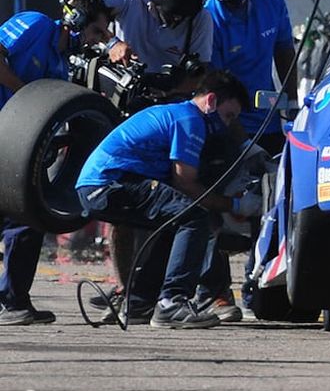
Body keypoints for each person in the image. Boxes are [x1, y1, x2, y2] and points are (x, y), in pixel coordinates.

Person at [76, 71, 250, 329]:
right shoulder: (190, 120)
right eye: (228, 116)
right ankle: (172, 303)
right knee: (194, 217)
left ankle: (139, 303)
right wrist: (235, 205)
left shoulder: (178, 113)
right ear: (211, 101)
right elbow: (185, 183)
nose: (226, 124)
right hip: (110, 184)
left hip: (97, 186)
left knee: (174, 221)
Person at [0, 0, 113, 325]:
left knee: (26, 218)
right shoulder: (35, 24)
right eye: (96, 31)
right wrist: (26, 95)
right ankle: (12, 300)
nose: (97, 40)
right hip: (7, 129)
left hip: (14, 145)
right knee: (21, 219)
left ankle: (13, 300)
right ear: (77, 22)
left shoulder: (61, 65)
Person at [204, 0, 296, 155]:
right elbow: (215, 87)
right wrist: (244, 144)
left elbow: (284, 50)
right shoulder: (207, 17)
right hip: (227, 125)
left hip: (269, 120)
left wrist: (292, 103)